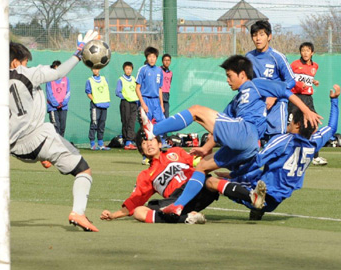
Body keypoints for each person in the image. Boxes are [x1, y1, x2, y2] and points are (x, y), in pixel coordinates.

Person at [140, 55, 321, 216]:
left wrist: (306, 111)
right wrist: (205, 148)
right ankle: (178, 206)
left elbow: (285, 91)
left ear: (242, 74)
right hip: (246, 146)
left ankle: (152, 130)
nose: (227, 80)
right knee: (202, 167)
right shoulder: (235, 102)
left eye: (229, 76)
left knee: (195, 110)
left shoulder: (255, 84)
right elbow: (219, 129)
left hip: (246, 132)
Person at [9, 30, 99, 232]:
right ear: (16, 63)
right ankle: (78, 212)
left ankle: (45, 156)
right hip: (39, 138)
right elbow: (58, 73)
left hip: (15, 149)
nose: (26, 65)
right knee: (84, 170)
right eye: (24, 62)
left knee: (44, 136)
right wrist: (78, 53)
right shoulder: (27, 73)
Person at [207, 84, 340, 220]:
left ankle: (190, 207)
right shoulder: (314, 142)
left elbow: (257, 161)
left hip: (263, 192)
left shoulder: (284, 140)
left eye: (291, 119)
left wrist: (233, 174)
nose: (289, 121)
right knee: (257, 174)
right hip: (278, 197)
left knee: (210, 182)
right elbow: (332, 127)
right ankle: (258, 210)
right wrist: (334, 100)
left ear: (298, 125)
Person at [100, 129, 266, 224]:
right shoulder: (145, 175)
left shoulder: (176, 152)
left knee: (210, 180)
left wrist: (216, 153)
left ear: (159, 142)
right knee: (139, 212)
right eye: (144, 143)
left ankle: (252, 197)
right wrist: (113, 215)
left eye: (151, 140)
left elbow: (200, 162)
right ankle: (189, 218)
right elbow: (133, 202)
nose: (149, 144)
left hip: (195, 189)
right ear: (141, 150)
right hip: (176, 201)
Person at [246, 20, 296, 139]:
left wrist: (274, 96)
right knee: (254, 140)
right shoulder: (249, 57)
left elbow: (291, 81)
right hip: (258, 105)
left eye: (261, 34)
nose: (258, 38)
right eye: (255, 35)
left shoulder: (277, 57)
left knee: (276, 140)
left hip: (277, 104)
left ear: (269, 37)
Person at [288, 42, 327, 166]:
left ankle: (315, 156)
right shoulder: (294, 64)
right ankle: (289, 154)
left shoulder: (315, 66)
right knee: (293, 126)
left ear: (312, 53)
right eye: (303, 50)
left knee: (314, 125)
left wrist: (313, 81)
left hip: (308, 99)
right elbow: (290, 78)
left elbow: (306, 77)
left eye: (307, 50)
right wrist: (299, 85)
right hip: (296, 98)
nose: (305, 53)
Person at [136, 47, 165, 161]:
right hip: (146, 100)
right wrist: (142, 103)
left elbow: (160, 89)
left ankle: (159, 154)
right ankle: (145, 156)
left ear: (156, 58)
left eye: (154, 57)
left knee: (161, 125)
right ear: (146, 58)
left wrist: (161, 105)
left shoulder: (159, 71)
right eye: (149, 57)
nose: (152, 59)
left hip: (156, 102)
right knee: (146, 128)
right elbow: (137, 88)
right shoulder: (143, 70)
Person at [85, 68, 111, 150]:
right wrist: (95, 100)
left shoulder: (104, 79)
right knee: (94, 124)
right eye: (94, 69)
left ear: (99, 69)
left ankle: (101, 143)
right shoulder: (89, 80)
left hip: (104, 105)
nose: (95, 71)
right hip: (95, 106)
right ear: (92, 70)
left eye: (97, 69)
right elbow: (88, 93)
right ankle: (92, 143)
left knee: (102, 124)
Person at [115, 61, 138, 150]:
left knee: (132, 122)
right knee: (126, 121)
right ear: (124, 69)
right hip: (125, 103)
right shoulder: (121, 79)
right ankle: (127, 141)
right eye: (126, 69)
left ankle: (130, 140)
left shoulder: (133, 79)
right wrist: (126, 97)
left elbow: (136, 90)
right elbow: (117, 92)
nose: (128, 71)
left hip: (134, 103)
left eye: (130, 69)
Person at [45, 60, 70, 137]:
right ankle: (56, 145)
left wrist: (63, 103)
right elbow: (49, 94)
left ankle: (61, 145)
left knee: (62, 127)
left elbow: (68, 93)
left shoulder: (66, 79)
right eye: (55, 69)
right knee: (56, 127)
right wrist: (56, 104)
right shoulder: (49, 80)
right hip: (53, 108)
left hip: (63, 107)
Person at [160, 54, 173, 119]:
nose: (167, 62)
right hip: (159, 94)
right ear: (162, 61)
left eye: (168, 60)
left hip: (166, 95)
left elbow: (169, 83)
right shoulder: (159, 70)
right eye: (165, 60)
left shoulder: (171, 73)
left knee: (166, 116)